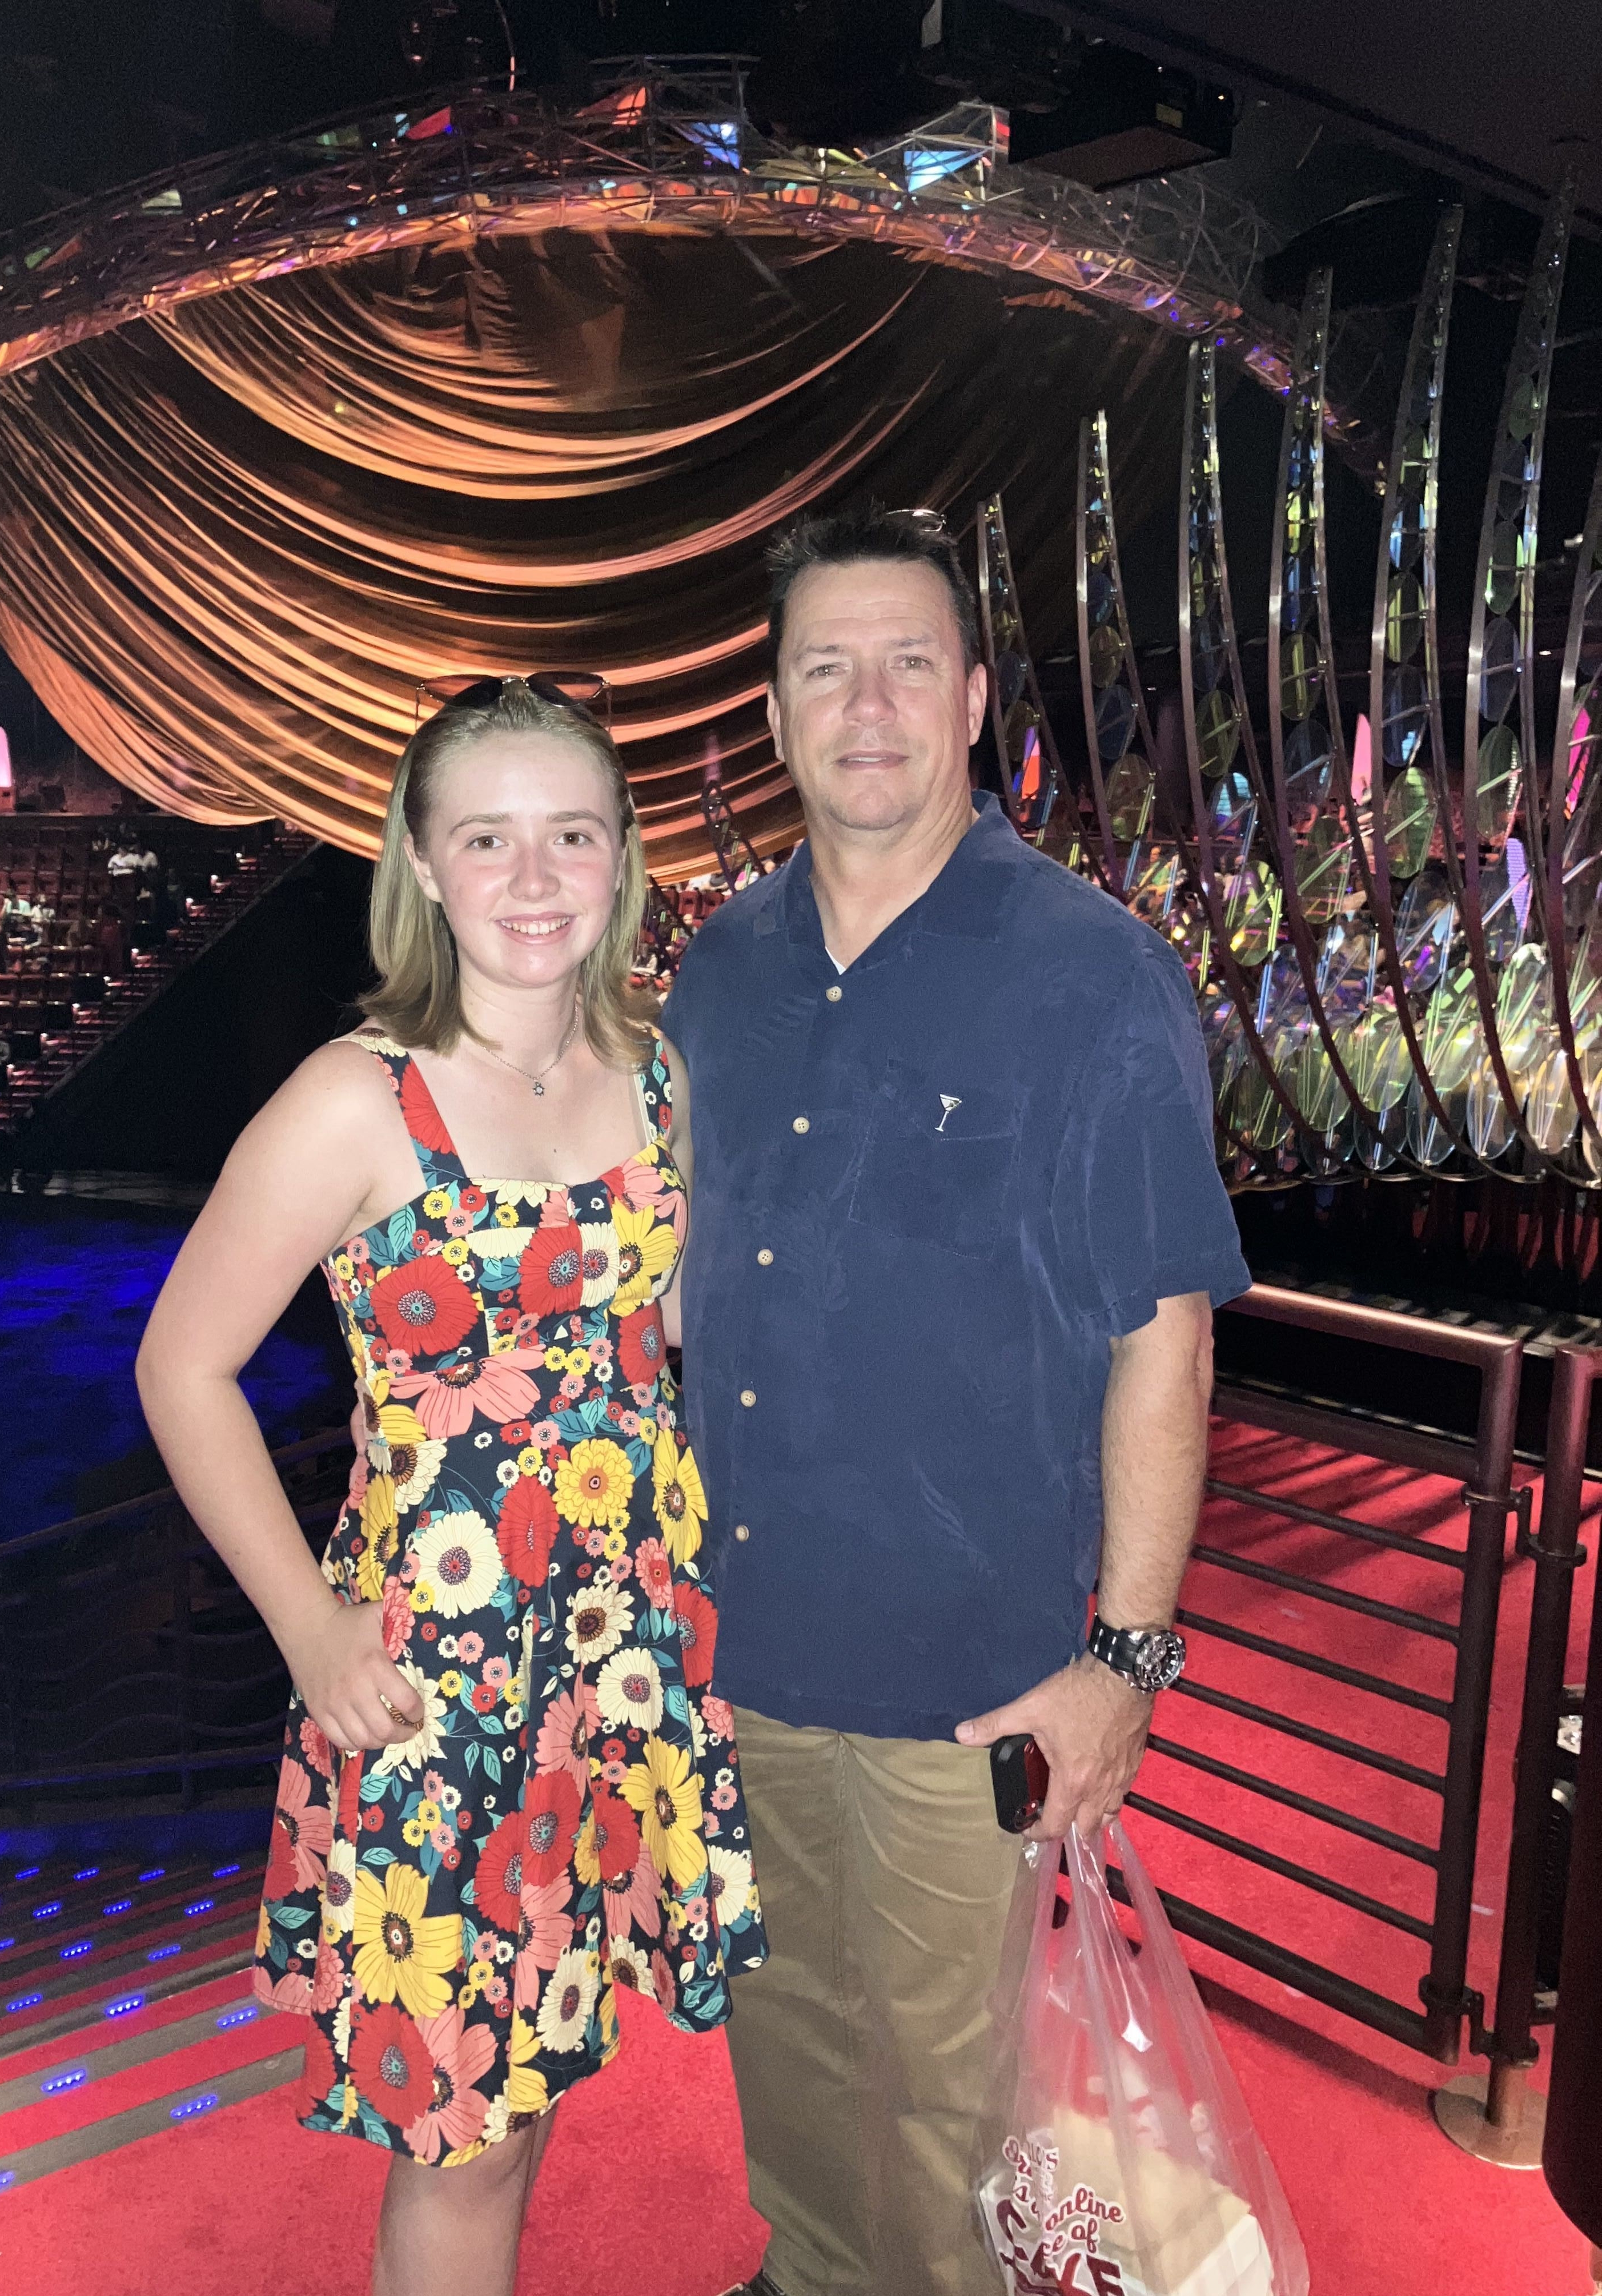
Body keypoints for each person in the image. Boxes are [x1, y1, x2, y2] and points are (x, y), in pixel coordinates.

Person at [660, 505, 1252, 2296]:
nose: (868, 706)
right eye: (826, 668)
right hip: (752, 1632)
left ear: (976, 698)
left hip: (969, 1667)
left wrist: (1126, 1659)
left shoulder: (1091, 977)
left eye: (908, 664)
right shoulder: (719, 974)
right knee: (784, 2018)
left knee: (941, 2092)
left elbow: (1166, 1339)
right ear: (775, 710)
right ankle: (811, 2272)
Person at [136, 677, 766, 2296]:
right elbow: (182, 1368)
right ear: (421, 863)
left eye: (573, 834)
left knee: (539, 2083)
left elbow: (668, 1343)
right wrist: (309, 1628)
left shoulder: (662, 1078)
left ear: (624, 855)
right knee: (464, 2135)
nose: (535, 877)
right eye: (488, 838)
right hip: (441, 1679)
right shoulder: (358, 1099)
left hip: (624, 1659)